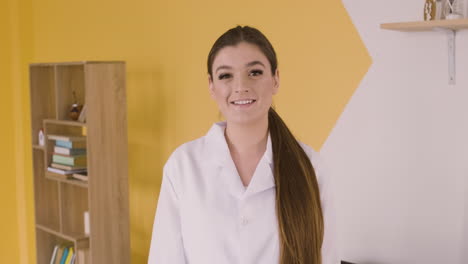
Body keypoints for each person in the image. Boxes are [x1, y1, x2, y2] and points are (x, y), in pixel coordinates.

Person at [148, 25, 338, 264]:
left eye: (255, 72)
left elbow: (326, 258)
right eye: (226, 75)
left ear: (276, 79)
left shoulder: (310, 167)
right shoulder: (183, 166)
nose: (240, 86)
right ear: (211, 85)